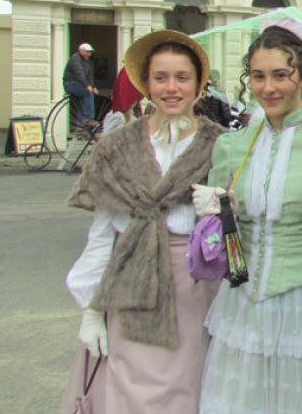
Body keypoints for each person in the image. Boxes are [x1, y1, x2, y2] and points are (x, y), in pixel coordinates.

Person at [194, 22, 302, 414]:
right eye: (258, 76)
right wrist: (213, 215)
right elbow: (215, 233)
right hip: (241, 303)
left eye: (280, 75)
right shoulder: (229, 147)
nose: (268, 88)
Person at [59, 30, 226, 413]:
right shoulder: (116, 146)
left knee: (191, 389)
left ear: (199, 83)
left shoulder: (221, 145)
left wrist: (222, 210)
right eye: (161, 77)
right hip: (129, 288)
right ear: (145, 83)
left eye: (182, 77)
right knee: (127, 390)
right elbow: (103, 235)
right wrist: (90, 308)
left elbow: (242, 229)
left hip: (197, 289)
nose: (171, 88)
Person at [63, 42, 99, 127]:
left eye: (90, 52)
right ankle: (87, 118)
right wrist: (87, 86)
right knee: (87, 92)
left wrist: (93, 87)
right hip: (70, 84)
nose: (89, 54)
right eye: (87, 51)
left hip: (79, 84)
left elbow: (89, 76)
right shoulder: (75, 59)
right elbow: (79, 74)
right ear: (81, 50)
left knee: (84, 99)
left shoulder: (86, 61)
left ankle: (80, 125)